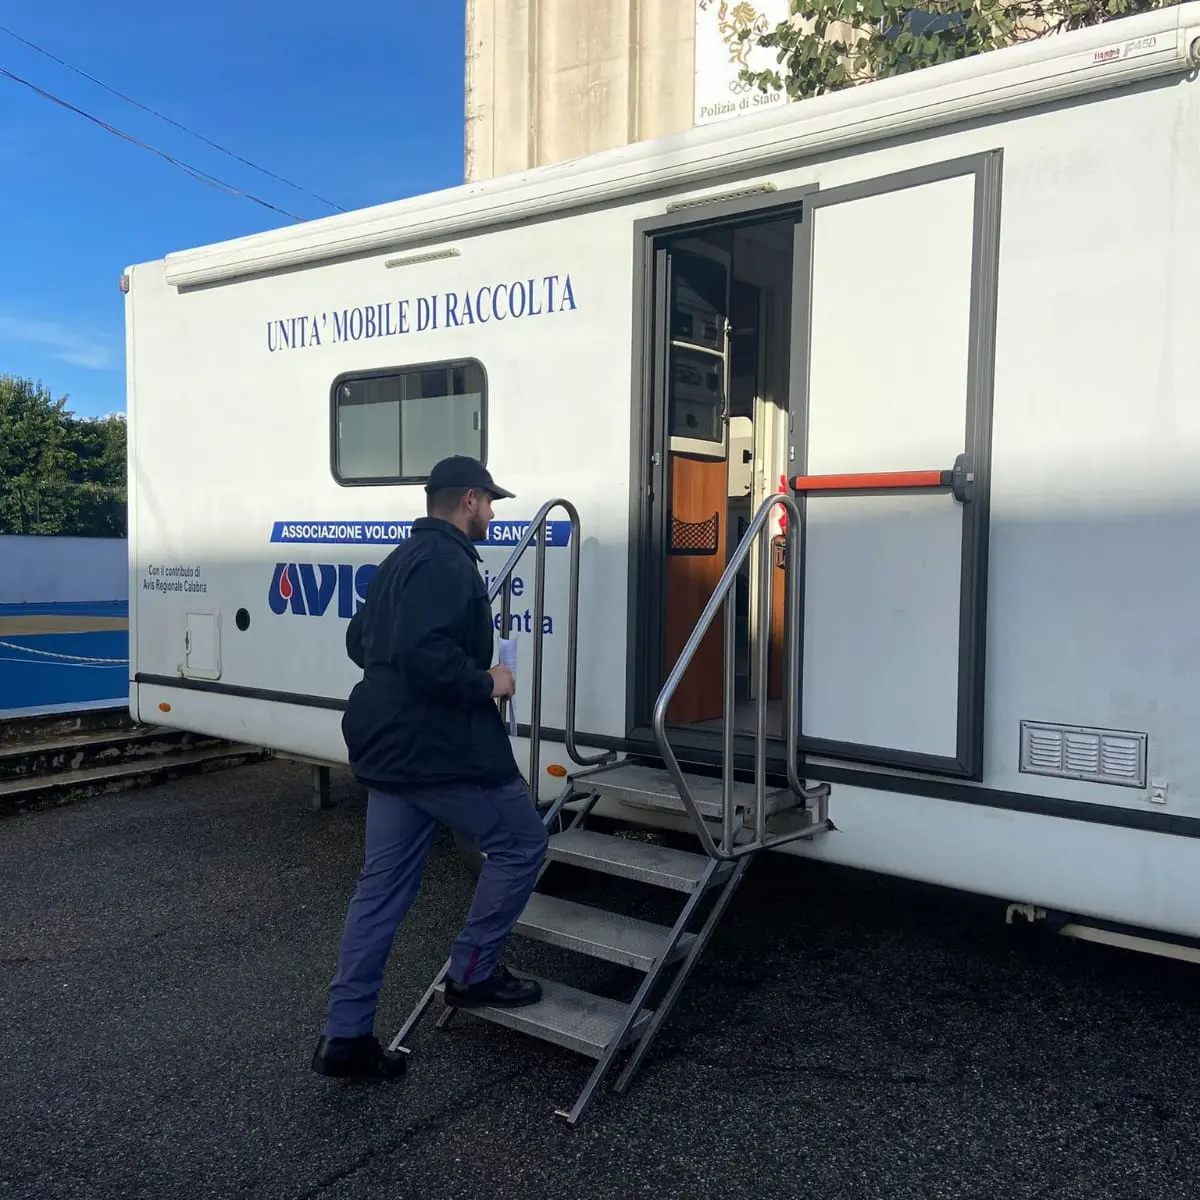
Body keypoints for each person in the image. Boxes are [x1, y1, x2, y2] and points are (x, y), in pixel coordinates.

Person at [310, 455, 549, 1083]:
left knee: (380, 891)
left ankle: (346, 1036)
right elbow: (423, 655)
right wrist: (487, 680)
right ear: (468, 500)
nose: (493, 514)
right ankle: (473, 973)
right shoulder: (447, 563)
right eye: (490, 503)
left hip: (389, 750)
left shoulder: (400, 560)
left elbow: (360, 642)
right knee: (523, 843)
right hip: (440, 749)